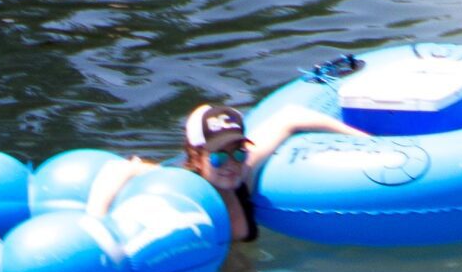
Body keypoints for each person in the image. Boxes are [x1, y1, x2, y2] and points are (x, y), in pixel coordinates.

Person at [83, 98, 367, 243]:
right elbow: (117, 169)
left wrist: (361, 138)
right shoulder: (181, 184)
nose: (231, 165)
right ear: (196, 155)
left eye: (238, 152)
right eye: (219, 157)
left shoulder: (243, 171)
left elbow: (290, 117)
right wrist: (96, 228)